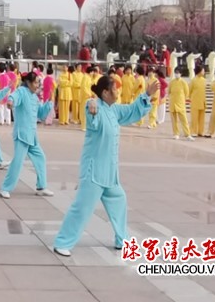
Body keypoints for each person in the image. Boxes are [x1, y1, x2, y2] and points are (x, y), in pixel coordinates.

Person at [52, 75, 158, 257]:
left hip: (110, 173)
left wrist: (147, 94)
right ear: (105, 93)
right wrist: (90, 104)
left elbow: (133, 110)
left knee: (120, 200)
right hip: (94, 172)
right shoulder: (96, 107)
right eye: (115, 89)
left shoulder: (114, 110)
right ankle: (62, 242)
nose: (118, 91)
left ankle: (122, 240)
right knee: (82, 208)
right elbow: (91, 115)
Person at [0, 71, 54, 199]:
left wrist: (49, 103)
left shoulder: (34, 97)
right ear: (28, 82)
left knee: (41, 158)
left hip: (32, 136)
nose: (37, 85)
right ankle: (5, 188)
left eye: (38, 83)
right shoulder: (22, 91)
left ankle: (41, 186)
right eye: (35, 83)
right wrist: (10, 102)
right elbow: (13, 97)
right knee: (17, 162)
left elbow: (40, 114)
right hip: (22, 135)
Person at [189, 64, 207, 137]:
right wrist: (189, 98)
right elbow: (189, 91)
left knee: (202, 118)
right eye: (203, 70)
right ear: (199, 71)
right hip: (195, 101)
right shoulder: (193, 80)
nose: (204, 72)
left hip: (202, 101)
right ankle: (193, 131)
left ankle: (200, 131)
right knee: (194, 118)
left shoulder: (204, 80)